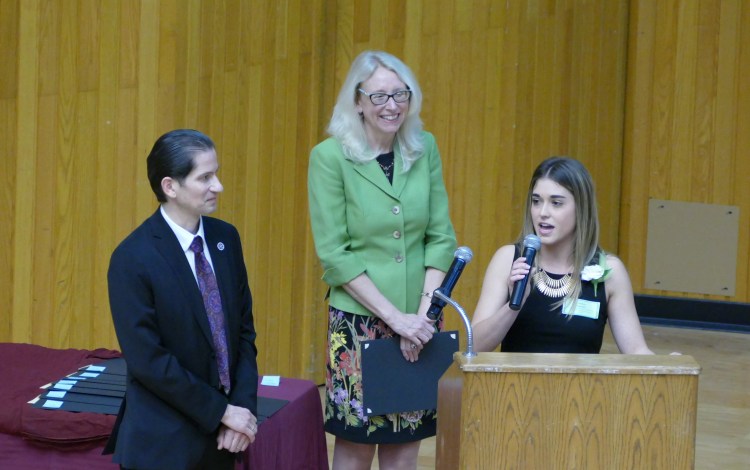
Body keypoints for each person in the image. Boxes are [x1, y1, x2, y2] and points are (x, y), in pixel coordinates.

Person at [307, 50, 457, 469]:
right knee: (356, 447)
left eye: (400, 94)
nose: (391, 106)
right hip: (361, 324)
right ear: (357, 101)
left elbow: (441, 237)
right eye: (379, 97)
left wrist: (424, 318)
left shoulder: (424, 147)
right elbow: (335, 255)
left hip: (422, 319)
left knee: (406, 444)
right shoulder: (330, 157)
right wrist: (398, 320)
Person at [105, 129, 259, 469]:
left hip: (223, 441)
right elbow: (150, 362)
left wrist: (242, 409)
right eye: (204, 177)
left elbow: (243, 334)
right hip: (164, 445)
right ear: (170, 187)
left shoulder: (225, 239)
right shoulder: (133, 258)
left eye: (215, 173)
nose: (218, 186)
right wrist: (221, 412)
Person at [471, 156, 655, 355]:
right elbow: (474, 346)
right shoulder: (509, 259)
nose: (542, 212)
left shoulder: (610, 271)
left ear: (581, 208)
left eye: (556, 203)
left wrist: (670, 367)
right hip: (515, 386)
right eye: (536, 201)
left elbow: (636, 351)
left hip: (582, 386)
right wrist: (513, 306)